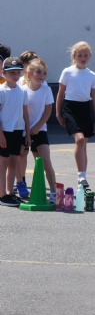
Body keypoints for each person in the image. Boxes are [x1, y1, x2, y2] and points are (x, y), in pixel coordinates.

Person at [56, 41, 95, 191]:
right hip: (70, 108)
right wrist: (58, 113)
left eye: (86, 55)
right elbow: (60, 93)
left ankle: (83, 178)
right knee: (80, 140)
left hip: (85, 108)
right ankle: (81, 175)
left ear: (90, 56)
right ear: (74, 56)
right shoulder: (67, 72)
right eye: (79, 55)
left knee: (84, 143)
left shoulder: (92, 75)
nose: (83, 58)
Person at [20, 58, 57, 203]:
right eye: (39, 72)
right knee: (21, 157)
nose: (42, 75)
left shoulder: (46, 90)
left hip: (39, 130)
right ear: (29, 73)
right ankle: (21, 186)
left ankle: (53, 191)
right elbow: (21, 111)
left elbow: (48, 111)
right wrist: (27, 130)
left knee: (44, 161)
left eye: (45, 73)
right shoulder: (22, 89)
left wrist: (36, 127)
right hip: (23, 130)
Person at [0, 57, 30, 207]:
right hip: (5, 131)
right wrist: (1, 135)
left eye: (18, 72)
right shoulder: (1, 91)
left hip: (18, 130)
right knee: (3, 162)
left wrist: (28, 133)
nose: (15, 75)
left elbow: (25, 113)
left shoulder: (22, 91)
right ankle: (2, 195)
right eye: (12, 72)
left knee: (13, 161)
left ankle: (9, 191)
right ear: (3, 73)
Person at [15, 51, 40, 198]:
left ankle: (38, 184)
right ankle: (21, 181)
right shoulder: (19, 82)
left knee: (38, 156)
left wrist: (38, 125)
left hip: (36, 126)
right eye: (25, 65)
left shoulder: (40, 81)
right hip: (22, 125)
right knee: (21, 153)